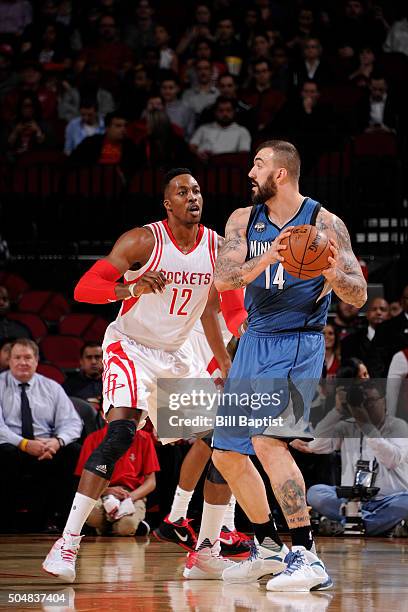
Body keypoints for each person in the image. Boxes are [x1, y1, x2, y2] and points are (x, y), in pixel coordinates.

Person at [184, 140, 367, 590]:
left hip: (298, 342)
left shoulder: (325, 223)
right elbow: (222, 278)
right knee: (226, 451)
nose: (251, 171)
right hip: (254, 340)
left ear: (280, 174)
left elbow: (358, 294)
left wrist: (328, 270)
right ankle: (267, 548)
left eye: (258, 164)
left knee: (269, 443)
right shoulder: (244, 220)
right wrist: (269, 256)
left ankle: (306, 554)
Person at [42, 168, 234, 583]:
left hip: (176, 355)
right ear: (168, 203)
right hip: (130, 346)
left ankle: (206, 549)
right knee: (121, 433)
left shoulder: (216, 246)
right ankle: (68, 543)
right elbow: (83, 289)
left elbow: (212, 310)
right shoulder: (143, 240)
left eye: (197, 190)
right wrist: (130, 290)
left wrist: (226, 366)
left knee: (221, 442)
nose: (193, 197)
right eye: (183, 192)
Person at [153, 288, 250, 556]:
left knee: (218, 441)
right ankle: (217, 528)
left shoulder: (253, 270)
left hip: (200, 351)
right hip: (195, 350)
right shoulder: (233, 265)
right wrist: (224, 361)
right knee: (223, 439)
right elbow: (208, 311)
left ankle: (182, 518)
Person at [298, 380, 408, 537]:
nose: (366, 406)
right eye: (362, 402)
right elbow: (315, 445)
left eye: (370, 401)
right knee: (315, 493)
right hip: (351, 501)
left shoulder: (398, 426)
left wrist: (366, 426)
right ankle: (381, 525)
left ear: (384, 402)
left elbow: (392, 459)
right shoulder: (346, 426)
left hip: (389, 500)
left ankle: (348, 525)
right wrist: (336, 411)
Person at [0, 338, 82, 531]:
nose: (23, 362)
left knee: (73, 452)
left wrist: (57, 441)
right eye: (17, 357)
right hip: (13, 445)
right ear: (9, 361)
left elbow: (72, 422)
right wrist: (24, 444)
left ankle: (62, 521)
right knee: (6, 454)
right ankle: (5, 521)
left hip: (46, 446)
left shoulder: (51, 387)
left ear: (36, 360)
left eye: (28, 357)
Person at [75, 424, 160, 536]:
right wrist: (106, 490)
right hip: (99, 491)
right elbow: (84, 480)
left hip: (131, 493)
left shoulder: (144, 438)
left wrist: (130, 497)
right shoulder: (93, 438)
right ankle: (120, 526)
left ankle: (116, 527)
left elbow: (151, 482)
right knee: (93, 516)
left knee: (126, 526)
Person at [189, 96, 251, 161]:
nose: (225, 114)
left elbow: (244, 154)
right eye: (221, 110)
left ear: (234, 112)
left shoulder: (242, 131)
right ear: (215, 112)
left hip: (228, 167)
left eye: (228, 110)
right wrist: (197, 153)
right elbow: (192, 145)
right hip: (203, 164)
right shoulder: (203, 128)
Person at [341, 297, 389, 373]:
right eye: (374, 309)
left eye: (382, 309)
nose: (378, 312)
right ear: (367, 314)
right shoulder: (350, 341)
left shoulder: (398, 340)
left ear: (389, 315)